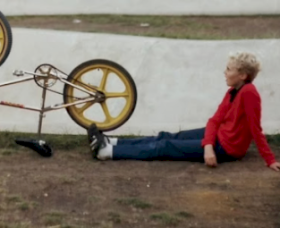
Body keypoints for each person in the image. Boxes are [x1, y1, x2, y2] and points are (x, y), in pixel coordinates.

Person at [88, 52, 279, 172]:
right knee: (167, 136)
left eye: (229, 69)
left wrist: (270, 160)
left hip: (228, 148)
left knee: (166, 146)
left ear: (243, 75)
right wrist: (208, 144)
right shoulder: (232, 91)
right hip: (219, 138)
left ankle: (108, 151)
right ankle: (112, 141)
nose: (224, 72)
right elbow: (214, 121)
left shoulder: (249, 93)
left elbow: (256, 129)